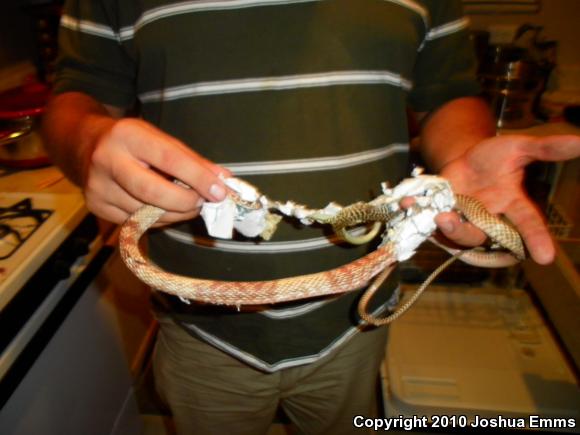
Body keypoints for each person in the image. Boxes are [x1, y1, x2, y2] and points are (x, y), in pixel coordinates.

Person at [43, 1, 580, 434]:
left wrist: (461, 159)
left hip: (355, 323)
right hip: (200, 333)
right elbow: (78, 93)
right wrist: (86, 142)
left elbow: (449, 92)